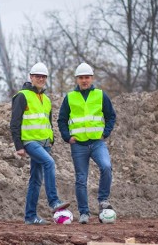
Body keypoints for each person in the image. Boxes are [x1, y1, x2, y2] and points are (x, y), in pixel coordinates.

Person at [10, 62, 70, 225]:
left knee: (35, 180)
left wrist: (51, 140)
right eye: (37, 76)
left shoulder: (46, 100)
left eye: (43, 77)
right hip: (30, 141)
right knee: (49, 163)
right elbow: (14, 123)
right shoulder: (22, 96)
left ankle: (30, 216)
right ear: (31, 77)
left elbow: (48, 122)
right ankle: (54, 201)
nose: (40, 79)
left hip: (45, 144)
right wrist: (19, 146)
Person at [57, 62, 117, 224]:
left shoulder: (100, 95)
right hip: (78, 145)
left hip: (97, 142)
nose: (84, 80)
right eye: (81, 77)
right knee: (81, 179)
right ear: (77, 79)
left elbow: (111, 116)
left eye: (87, 77)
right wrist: (67, 137)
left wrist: (105, 133)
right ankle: (84, 213)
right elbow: (61, 120)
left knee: (106, 166)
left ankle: (103, 200)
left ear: (92, 78)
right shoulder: (70, 97)